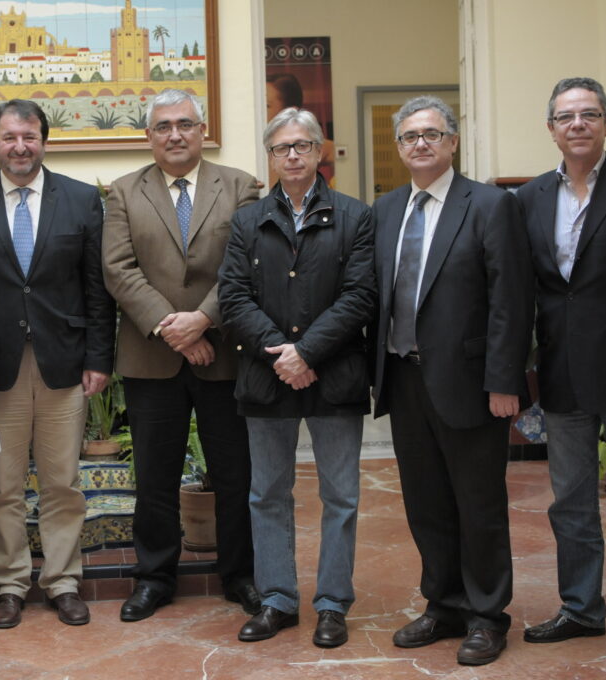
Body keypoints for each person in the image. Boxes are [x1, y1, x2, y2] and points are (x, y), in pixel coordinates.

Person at [370, 96, 533, 665]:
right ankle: (443, 603)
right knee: (426, 503)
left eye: (432, 134)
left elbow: (512, 302)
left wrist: (504, 381)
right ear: (399, 146)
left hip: (471, 382)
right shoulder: (386, 210)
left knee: (478, 503)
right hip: (404, 378)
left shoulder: (488, 205)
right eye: (411, 136)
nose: (421, 143)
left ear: (453, 142)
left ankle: (488, 614)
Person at [0, 100, 115, 629]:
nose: (19, 146)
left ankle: (63, 582)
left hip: (63, 363)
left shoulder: (83, 199)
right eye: (8, 137)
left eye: (29, 136)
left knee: (62, 481)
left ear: (45, 139)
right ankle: (8, 584)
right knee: (2, 484)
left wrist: (98, 357)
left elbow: (97, 287)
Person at [218, 107, 375, 647]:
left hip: (335, 376)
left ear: (319, 151)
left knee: (341, 496)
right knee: (267, 494)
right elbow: (233, 297)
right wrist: (281, 356)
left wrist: (306, 352)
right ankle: (277, 599)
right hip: (266, 378)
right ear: (271, 155)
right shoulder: (247, 220)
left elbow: (361, 296)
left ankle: (332, 603)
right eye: (282, 148)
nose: (292, 155)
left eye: (302, 146)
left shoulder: (356, 216)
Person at [102, 88, 259, 622]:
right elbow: (119, 270)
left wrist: (203, 320)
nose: (175, 134)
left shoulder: (239, 186)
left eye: (185, 124)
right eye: (163, 126)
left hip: (225, 355)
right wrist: (175, 329)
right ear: (149, 135)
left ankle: (240, 575)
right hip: (153, 357)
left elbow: (245, 264)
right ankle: (154, 578)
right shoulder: (123, 192)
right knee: (155, 477)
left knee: (235, 475)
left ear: (202, 130)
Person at [518, 77, 606, 644]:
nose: (578, 124)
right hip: (560, 368)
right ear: (552, 129)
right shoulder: (528, 198)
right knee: (573, 501)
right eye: (567, 117)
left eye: (589, 114)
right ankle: (582, 608)